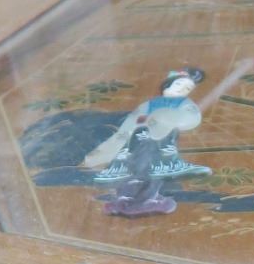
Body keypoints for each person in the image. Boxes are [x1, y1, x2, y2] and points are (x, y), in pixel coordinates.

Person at [84, 67, 211, 217]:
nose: (181, 90)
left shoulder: (184, 104)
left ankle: (147, 200)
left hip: (159, 142)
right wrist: (106, 150)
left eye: (187, 88)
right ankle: (123, 199)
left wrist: (165, 117)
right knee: (129, 169)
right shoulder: (149, 104)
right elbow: (128, 126)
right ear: (167, 84)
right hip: (136, 142)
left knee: (154, 170)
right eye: (178, 84)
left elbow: (191, 118)